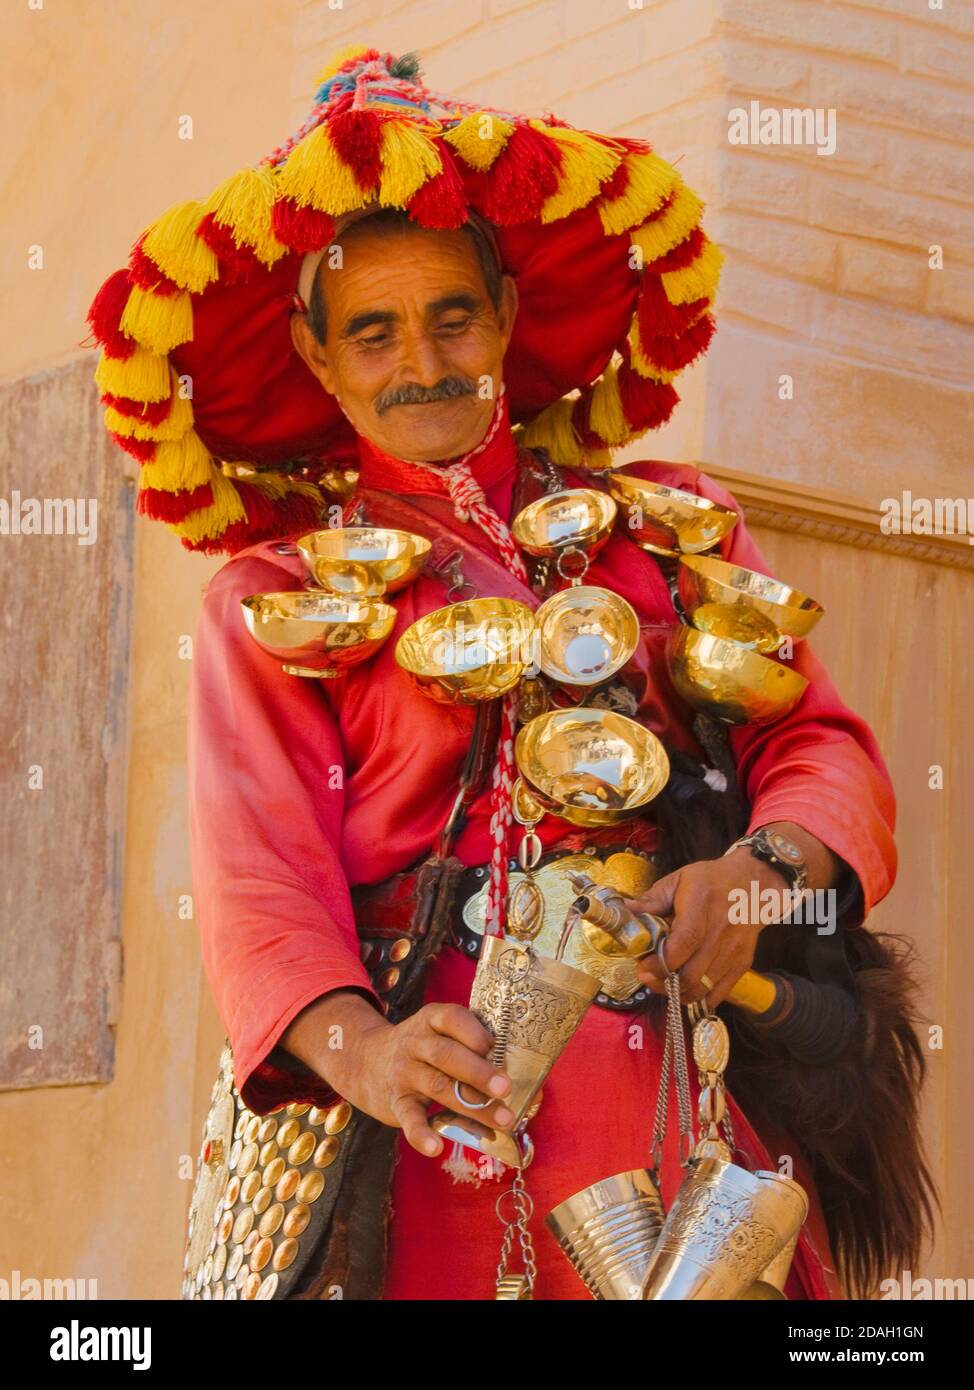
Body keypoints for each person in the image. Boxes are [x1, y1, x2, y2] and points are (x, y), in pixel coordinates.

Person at [88, 48, 934, 1301]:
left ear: (505, 321)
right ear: (318, 362)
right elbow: (260, 880)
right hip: (433, 1095)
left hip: (684, 1056)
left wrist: (755, 881)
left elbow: (818, 749)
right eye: (370, 332)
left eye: (450, 318)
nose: (420, 360)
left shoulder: (671, 526)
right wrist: (365, 1053)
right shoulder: (273, 600)